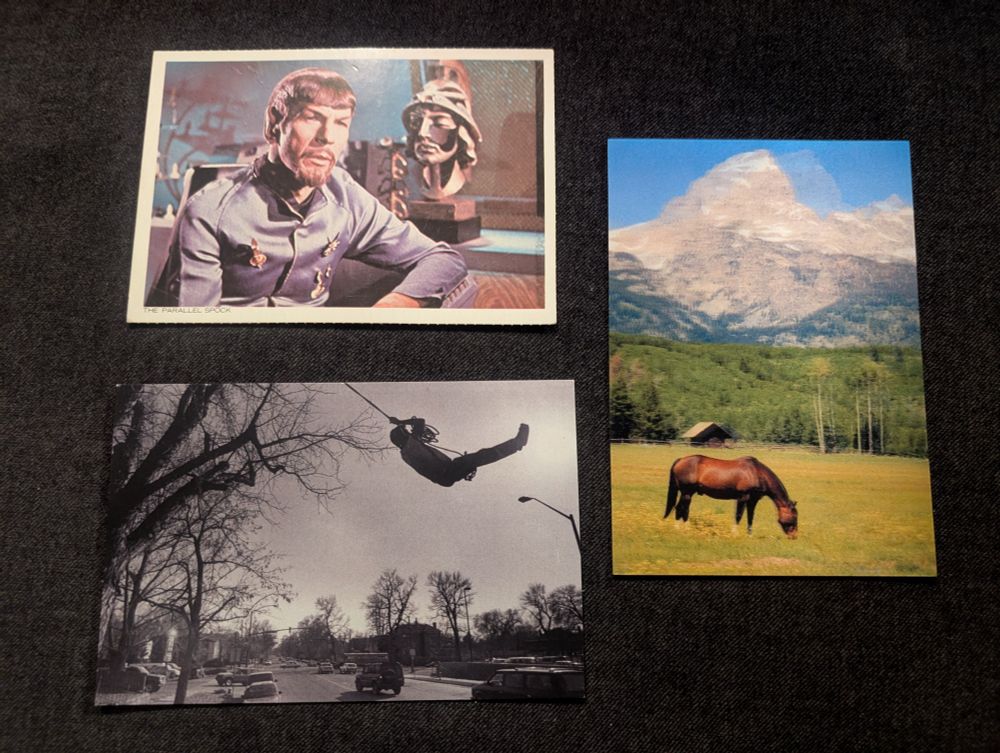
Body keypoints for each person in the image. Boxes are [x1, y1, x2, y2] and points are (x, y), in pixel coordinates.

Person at [157, 68, 469, 307]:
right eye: (311, 118)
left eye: (340, 123)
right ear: (274, 124)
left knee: (462, 288)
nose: (326, 136)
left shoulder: (346, 195)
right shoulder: (210, 210)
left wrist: (397, 305)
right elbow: (192, 333)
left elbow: (443, 258)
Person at [402, 77, 482, 200]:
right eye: (416, 123)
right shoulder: (410, 183)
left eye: (440, 124)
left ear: (461, 133)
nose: (423, 133)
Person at [388, 417, 529, 487]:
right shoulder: (410, 445)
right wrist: (400, 421)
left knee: (479, 457)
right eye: (405, 432)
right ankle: (517, 444)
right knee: (479, 457)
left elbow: (419, 424)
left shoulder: (407, 450)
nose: (408, 433)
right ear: (403, 436)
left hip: (445, 475)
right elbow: (420, 422)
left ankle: (516, 444)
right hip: (445, 472)